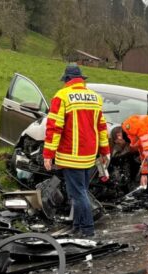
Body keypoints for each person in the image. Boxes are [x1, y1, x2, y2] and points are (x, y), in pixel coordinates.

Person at [43, 64, 110, 237]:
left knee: (78, 194)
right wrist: (104, 151)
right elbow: (102, 127)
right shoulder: (95, 98)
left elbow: (54, 128)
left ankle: (87, 230)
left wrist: (48, 154)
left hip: (70, 156)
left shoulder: (62, 96)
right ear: (81, 79)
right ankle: (78, 226)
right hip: (89, 155)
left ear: (66, 80)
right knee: (81, 192)